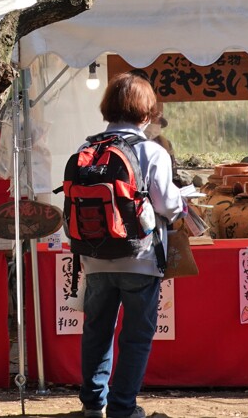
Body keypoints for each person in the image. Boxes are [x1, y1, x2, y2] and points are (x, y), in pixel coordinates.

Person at [79, 72, 184, 418]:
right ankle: (123, 407)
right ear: (146, 112)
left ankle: (93, 404)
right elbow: (168, 205)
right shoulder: (152, 152)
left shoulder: (87, 149)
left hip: (94, 258)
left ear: (108, 108)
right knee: (136, 336)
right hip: (140, 259)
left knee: (97, 331)